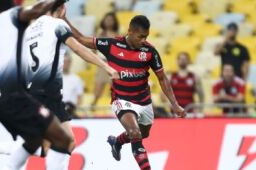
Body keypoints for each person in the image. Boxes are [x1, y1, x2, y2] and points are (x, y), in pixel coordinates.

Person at [0, 3, 119, 170]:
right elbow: (78, 48)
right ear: (62, 9)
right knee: (52, 145)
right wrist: (106, 66)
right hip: (47, 91)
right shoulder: (57, 25)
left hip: (36, 89)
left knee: (67, 142)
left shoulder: (30, 30)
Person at [0, 0, 74, 170]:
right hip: (14, 96)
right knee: (63, 140)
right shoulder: (12, 16)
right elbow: (38, 9)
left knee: (34, 141)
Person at [64, 13, 185, 170]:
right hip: (121, 99)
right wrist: (63, 20)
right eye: (141, 36)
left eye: (146, 36)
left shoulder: (150, 51)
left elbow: (162, 78)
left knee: (143, 133)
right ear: (130, 31)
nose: (143, 40)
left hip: (143, 100)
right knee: (135, 133)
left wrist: (174, 104)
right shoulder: (112, 45)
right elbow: (81, 39)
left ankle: (117, 142)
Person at [92, 12, 119, 107]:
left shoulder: (118, 35)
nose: (108, 21)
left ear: (114, 22)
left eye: (111, 20)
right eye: (107, 19)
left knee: (117, 88)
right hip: (102, 64)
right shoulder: (98, 35)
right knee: (98, 87)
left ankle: (118, 107)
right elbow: (93, 50)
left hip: (115, 64)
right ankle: (93, 106)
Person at [62, 53, 84, 117]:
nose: (66, 64)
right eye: (64, 61)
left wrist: (74, 109)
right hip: (57, 111)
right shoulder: (55, 78)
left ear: (70, 63)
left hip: (71, 111)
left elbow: (79, 97)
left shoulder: (77, 79)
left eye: (68, 62)